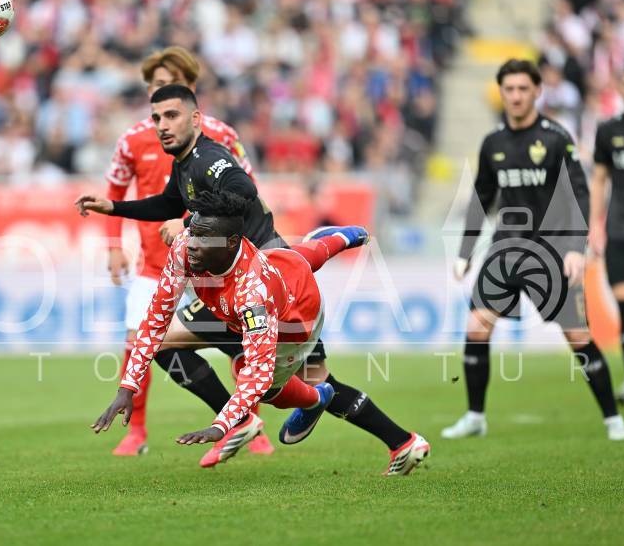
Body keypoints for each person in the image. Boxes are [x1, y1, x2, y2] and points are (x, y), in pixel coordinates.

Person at [77, 84, 425, 468]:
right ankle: (400, 442)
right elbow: (167, 204)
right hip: (257, 280)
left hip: (268, 287)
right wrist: (114, 207)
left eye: (171, 115)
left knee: (291, 379)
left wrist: (190, 223)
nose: (162, 125)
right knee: (301, 378)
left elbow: (243, 187)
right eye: (156, 117)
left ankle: (245, 418)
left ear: (196, 118)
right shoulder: (186, 164)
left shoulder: (209, 159)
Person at [89, 190, 430, 476]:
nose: (191, 244)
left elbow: (259, 372)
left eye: (202, 238)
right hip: (261, 276)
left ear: (230, 243)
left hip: (296, 319)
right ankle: (341, 237)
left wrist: (221, 424)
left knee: (264, 381)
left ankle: (317, 400)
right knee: (297, 257)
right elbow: (156, 318)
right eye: (192, 232)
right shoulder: (187, 247)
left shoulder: (252, 295)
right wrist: (128, 387)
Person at [444, 59, 624, 441]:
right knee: (476, 328)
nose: (515, 96)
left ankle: (613, 419)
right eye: (509, 89)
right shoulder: (493, 143)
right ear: (501, 92)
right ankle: (475, 417)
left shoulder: (555, 138)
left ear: (536, 92)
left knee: (577, 337)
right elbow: (481, 198)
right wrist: (465, 251)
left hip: (552, 251)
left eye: (522, 89)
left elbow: (580, 193)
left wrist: (576, 247)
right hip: (505, 251)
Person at [101, 46, 272, 456]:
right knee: (141, 341)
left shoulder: (220, 136)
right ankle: (136, 432)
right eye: (155, 86)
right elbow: (118, 190)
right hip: (156, 264)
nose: (161, 94)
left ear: (190, 89)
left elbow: (246, 191)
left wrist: (254, 242)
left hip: (211, 262)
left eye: (170, 85)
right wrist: (113, 243)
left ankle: (248, 425)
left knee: (239, 343)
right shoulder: (132, 140)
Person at [589, 64, 624, 406]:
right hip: (622, 230)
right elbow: (599, 179)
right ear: (621, 90)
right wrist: (595, 224)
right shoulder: (608, 131)